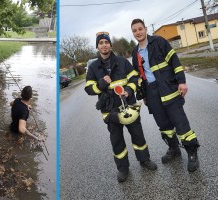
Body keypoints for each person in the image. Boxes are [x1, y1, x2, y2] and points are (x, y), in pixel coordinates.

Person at [85, 32, 157, 182]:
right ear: (97, 47)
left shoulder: (122, 61)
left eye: (106, 42)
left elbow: (134, 77)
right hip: (110, 111)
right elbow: (89, 89)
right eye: (101, 43)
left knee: (138, 135)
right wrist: (100, 85)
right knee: (117, 141)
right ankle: (123, 168)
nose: (104, 45)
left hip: (128, 105)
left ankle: (144, 160)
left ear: (110, 45)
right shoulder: (93, 67)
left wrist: (129, 90)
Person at [130, 18, 200, 172]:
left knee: (180, 123)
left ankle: (192, 153)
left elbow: (174, 60)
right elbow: (138, 75)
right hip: (152, 93)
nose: (138, 32)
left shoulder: (159, 42)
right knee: (164, 125)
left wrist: (181, 81)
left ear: (145, 29)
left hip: (168, 88)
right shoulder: (135, 53)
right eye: (134, 30)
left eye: (140, 29)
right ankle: (174, 149)